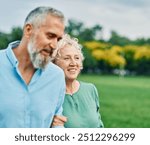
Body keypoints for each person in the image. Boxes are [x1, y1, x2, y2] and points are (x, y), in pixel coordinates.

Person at [0, 6, 67, 128]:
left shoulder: (56, 76)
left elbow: (56, 122)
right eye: (50, 36)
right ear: (28, 30)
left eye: (58, 39)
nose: (54, 45)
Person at [52, 34, 104, 128]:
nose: (73, 63)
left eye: (77, 58)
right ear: (54, 63)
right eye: (67, 58)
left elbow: (99, 126)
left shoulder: (91, 89)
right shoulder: (48, 95)